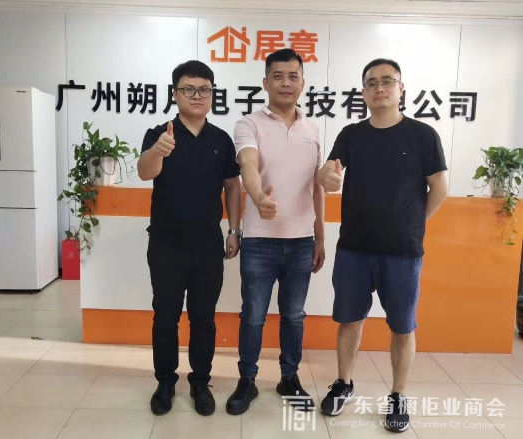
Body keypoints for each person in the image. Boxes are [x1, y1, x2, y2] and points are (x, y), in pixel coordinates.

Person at [317, 58, 449, 432]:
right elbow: (330, 170)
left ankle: (398, 395)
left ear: (400, 89)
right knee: (349, 320)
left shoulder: (422, 135)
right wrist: (327, 176)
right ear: (363, 92)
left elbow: (439, 188)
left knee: (402, 327)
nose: (380, 88)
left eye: (387, 81)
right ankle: (344, 384)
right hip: (354, 248)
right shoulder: (352, 134)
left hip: (403, 252)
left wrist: (413, 223)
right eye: (372, 83)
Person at [137, 60, 242, 417]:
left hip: (208, 247)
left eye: (204, 90)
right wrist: (158, 151)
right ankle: (165, 383)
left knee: (204, 319)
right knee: (165, 317)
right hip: (166, 245)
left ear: (212, 94)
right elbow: (144, 172)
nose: (197, 96)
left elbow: (232, 187)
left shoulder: (221, 140)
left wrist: (234, 231)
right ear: (175, 94)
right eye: (188, 89)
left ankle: (200, 382)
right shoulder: (160, 133)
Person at [225, 48, 326, 416]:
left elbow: (317, 186)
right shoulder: (248, 124)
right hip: (259, 240)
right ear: (265, 82)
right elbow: (247, 165)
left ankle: (289, 378)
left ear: (302, 83)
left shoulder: (312, 130)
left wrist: (320, 235)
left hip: (301, 241)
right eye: (278, 76)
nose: (286, 83)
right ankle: (247, 380)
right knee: (253, 315)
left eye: (293, 76)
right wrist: (257, 196)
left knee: (294, 315)